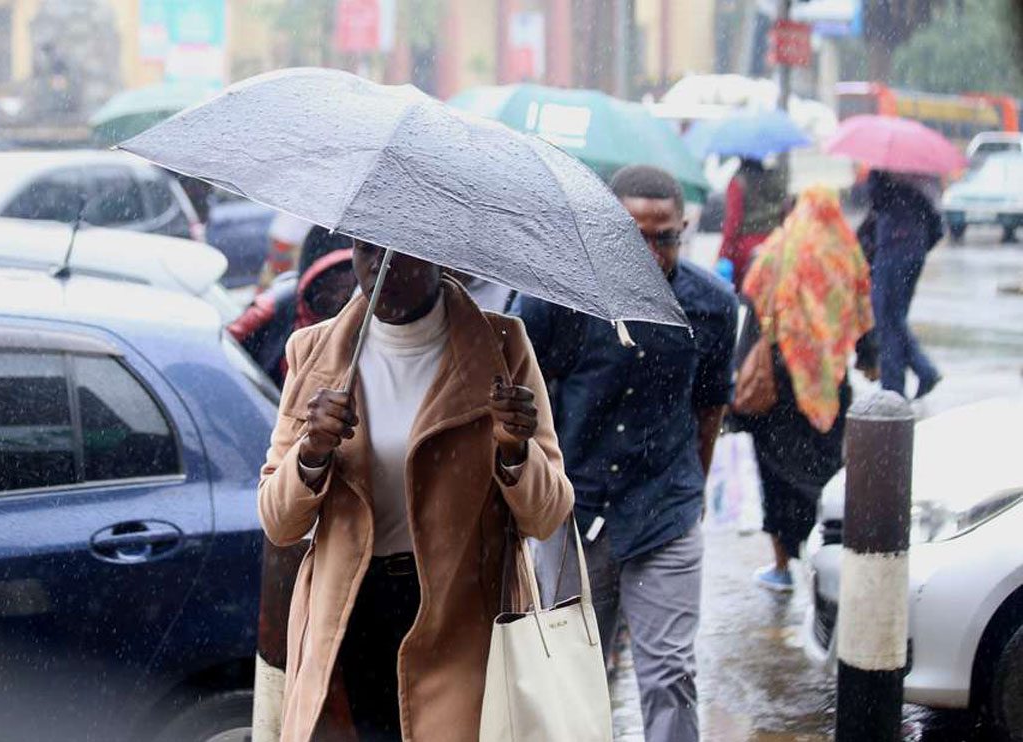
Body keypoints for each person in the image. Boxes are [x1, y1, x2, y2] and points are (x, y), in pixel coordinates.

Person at [258, 239, 573, 741]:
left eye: (400, 251)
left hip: (460, 616)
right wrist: (312, 450)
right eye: (366, 249)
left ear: (439, 255)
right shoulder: (314, 352)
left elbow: (547, 514)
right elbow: (278, 521)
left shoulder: (503, 346)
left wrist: (515, 450)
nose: (381, 265)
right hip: (347, 615)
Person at [515, 165, 737, 742]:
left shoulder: (712, 306)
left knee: (668, 673)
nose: (649, 251)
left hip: (664, 507)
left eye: (664, 238)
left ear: (683, 231)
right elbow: (516, 385)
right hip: (574, 508)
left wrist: (693, 489)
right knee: (571, 672)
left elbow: (710, 407)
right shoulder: (558, 295)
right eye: (632, 236)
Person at [732, 187, 874, 591]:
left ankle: (781, 567)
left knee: (775, 476)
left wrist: (740, 383)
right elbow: (863, 315)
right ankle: (829, 563)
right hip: (829, 383)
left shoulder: (777, 251)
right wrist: (867, 356)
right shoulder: (845, 254)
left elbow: (754, 310)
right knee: (825, 473)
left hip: (779, 384)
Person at [228, 240, 357, 387]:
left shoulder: (349, 325)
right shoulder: (273, 306)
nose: (338, 297)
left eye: (346, 289)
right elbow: (225, 346)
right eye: (332, 288)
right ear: (317, 281)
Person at [868, 169, 943, 398]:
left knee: (887, 319)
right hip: (913, 250)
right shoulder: (925, 176)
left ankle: (894, 390)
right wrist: (918, 246)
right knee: (895, 318)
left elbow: (877, 199)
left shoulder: (887, 172)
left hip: (893, 248)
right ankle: (920, 370)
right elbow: (937, 225)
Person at [720, 157, 787, 290]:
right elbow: (784, 213)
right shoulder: (775, 179)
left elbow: (732, 223)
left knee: (748, 295)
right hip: (776, 245)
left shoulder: (738, 182)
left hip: (746, 251)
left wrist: (723, 256)